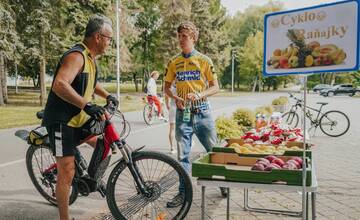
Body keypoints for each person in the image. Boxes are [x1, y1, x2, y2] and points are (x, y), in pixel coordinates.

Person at [42, 15, 118, 220]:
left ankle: (90, 178)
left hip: (77, 117)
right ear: (97, 37)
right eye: (109, 38)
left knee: (104, 143)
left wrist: (108, 95)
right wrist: (88, 105)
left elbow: (91, 83)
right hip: (61, 120)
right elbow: (60, 84)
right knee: (67, 171)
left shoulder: (90, 58)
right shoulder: (76, 56)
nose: (110, 42)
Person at [164, 21, 227, 208]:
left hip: (202, 113)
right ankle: (182, 193)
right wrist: (175, 96)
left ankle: (223, 183)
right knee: (182, 156)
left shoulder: (205, 60)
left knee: (213, 151)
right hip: (183, 114)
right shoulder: (173, 62)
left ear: (193, 38)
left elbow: (216, 87)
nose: (181, 40)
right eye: (179, 36)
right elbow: (166, 87)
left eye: (185, 36)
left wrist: (199, 94)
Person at [165, 83, 177, 154]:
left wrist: (167, 105)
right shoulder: (182, 85)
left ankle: (172, 147)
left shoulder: (170, 87)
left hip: (173, 108)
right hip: (181, 108)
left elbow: (166, 97)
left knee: (172, 129)